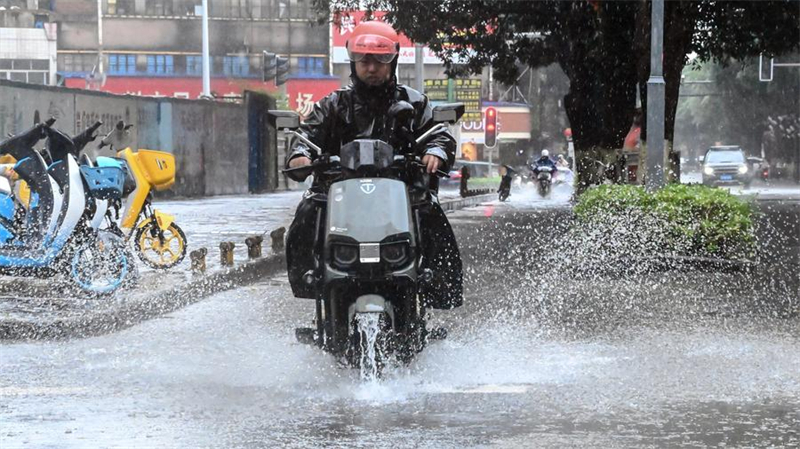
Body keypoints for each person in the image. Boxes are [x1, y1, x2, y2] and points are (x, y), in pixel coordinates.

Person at [284, 20, 463, 310]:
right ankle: (309, 277)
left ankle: (438, 283)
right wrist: (299, 154)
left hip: (403, 194)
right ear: (353, 60)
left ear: (392, 60)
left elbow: (438, 133)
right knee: (307, 211)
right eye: (365, 59)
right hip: (339, 195)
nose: (372, 67)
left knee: (431, 213)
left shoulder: (414, 103)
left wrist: (436, 150)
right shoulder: (333, 104)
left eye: (380, 59)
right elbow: (307, 134)